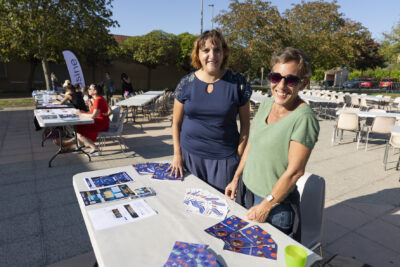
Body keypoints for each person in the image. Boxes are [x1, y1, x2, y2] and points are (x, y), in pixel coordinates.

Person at [225, 47, 320, 241]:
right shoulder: (267, 104)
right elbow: (252, 144)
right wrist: (236, 178)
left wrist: (266, 205)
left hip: (274, 208)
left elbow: (295, 172)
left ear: (304, 83)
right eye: (276, 77)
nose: (281, 85)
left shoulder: (304, 119)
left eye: (291, 79)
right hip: (246, 192)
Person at [168, 30, 252, 193]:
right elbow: (176, 123)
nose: (212, 55)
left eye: (217, 50)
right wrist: (177, 155)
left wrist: (238, 157)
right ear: (197, 54)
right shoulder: (186, 83)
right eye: (206, 50)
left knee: (222, 209)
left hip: (224, 161)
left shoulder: (238, 83)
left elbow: (246, 126)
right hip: (189, 157)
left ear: (224, 53)